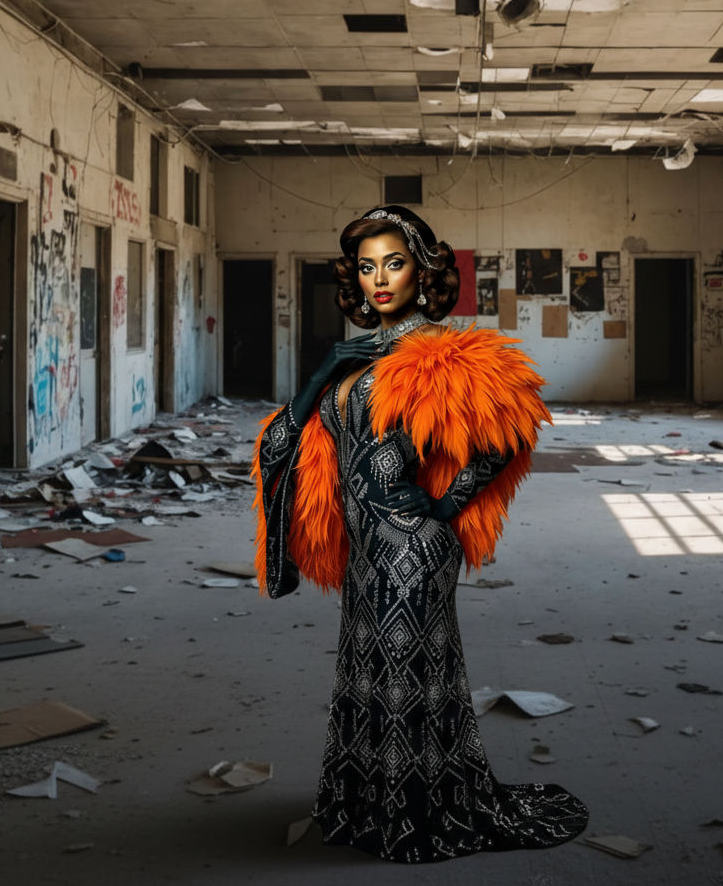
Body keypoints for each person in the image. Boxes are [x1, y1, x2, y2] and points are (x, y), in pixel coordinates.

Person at [251, 205, 589, 863]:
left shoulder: (444, 347)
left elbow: (511, 430)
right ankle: (364, 806)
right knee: (365, 674)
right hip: (362, 552)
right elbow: (281, 447)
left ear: (422, 269)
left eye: (394, 263)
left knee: (406, 675)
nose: (379, 279)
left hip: (412, 548)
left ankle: (412, 817)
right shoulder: (351, 359)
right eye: (367, 266)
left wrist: (445, 501)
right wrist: (321, 374)